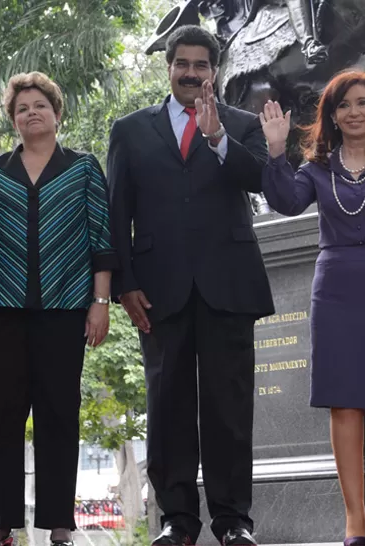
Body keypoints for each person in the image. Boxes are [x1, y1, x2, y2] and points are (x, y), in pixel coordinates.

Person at [106, 25, 273, 546]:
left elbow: (262, 180)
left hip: (229, 285)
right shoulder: (130, 130)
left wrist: (218, 137)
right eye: (184, 64)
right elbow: (117, 214)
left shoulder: (242, 126)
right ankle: (177, 520)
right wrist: (124, 284)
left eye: (202, 66)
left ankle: (233, 521)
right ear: (169, 67)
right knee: (168, 406)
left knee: (228, 407)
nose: (192, 73)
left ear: (214, 73)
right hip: (158, 290)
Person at [258, 70, 365, 544]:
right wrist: (276, 152)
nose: (354, 112)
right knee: (344, 405)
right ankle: (353, 518)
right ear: (332, 116)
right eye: (344, 105)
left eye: (362, 103)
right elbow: (287, 202)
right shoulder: (317, 168)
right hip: (335, 291)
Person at [0, 72, 115, 546]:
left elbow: (101, 240)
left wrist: (100, 303)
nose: (31, 112)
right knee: (5, 412)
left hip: (66, 307)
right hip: (3, 308)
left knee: (58, 412)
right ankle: (0, 519)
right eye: (22, 107)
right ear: (13, 118)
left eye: (39, 105)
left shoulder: (83, 168)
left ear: (56, 112)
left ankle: (59, 521)